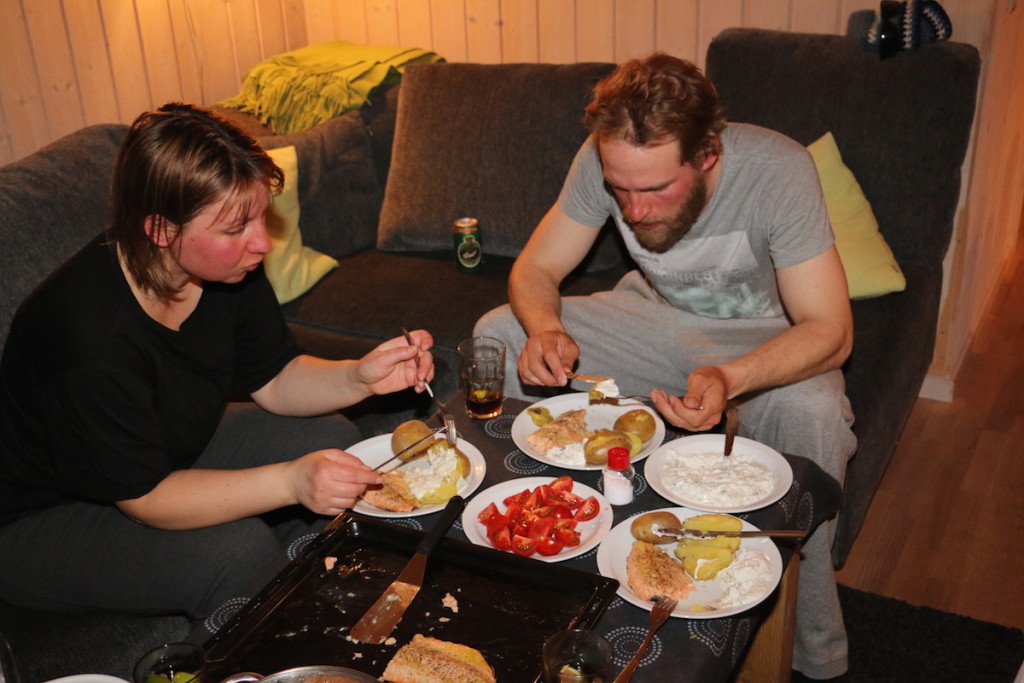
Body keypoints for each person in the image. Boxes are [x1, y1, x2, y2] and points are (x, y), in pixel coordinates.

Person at [474, 54, 856, 680]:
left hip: (761, 342)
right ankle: (552, 550)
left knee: (813, 410)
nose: (634, 209)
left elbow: (831, 331)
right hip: (649, 321)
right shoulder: (605, 154)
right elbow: (535, 268)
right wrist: (546, 329)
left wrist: (732, 377)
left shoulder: (780, 169)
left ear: (707, 155)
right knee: (501, 330)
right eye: (619, 189)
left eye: (655, 189)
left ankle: (812, 639)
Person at [0, 103, 436, 625]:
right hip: (39, 518)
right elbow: (147, 497)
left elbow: (275, 379)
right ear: (160, 230)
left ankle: (317, 593)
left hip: (160, 447)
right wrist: (292, 483)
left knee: (329, 437)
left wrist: (358, 376)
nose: (261, 242)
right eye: (235, 227)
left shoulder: (225, 270)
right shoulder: (83, 336)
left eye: (258, 216)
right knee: (234, 550)